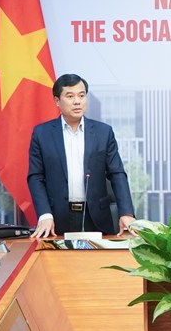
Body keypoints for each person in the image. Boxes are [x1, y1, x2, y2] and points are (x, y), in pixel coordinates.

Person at [27, 74, 136, 238]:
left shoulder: (103, 132)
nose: (77, 101)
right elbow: (36, 177)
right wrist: (45, 214)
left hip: (97, 218)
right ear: (57, 101)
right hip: (56, 220)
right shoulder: (42, 134)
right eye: (70, 96)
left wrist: (126, 212)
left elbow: (117, 173)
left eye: (81, 95)